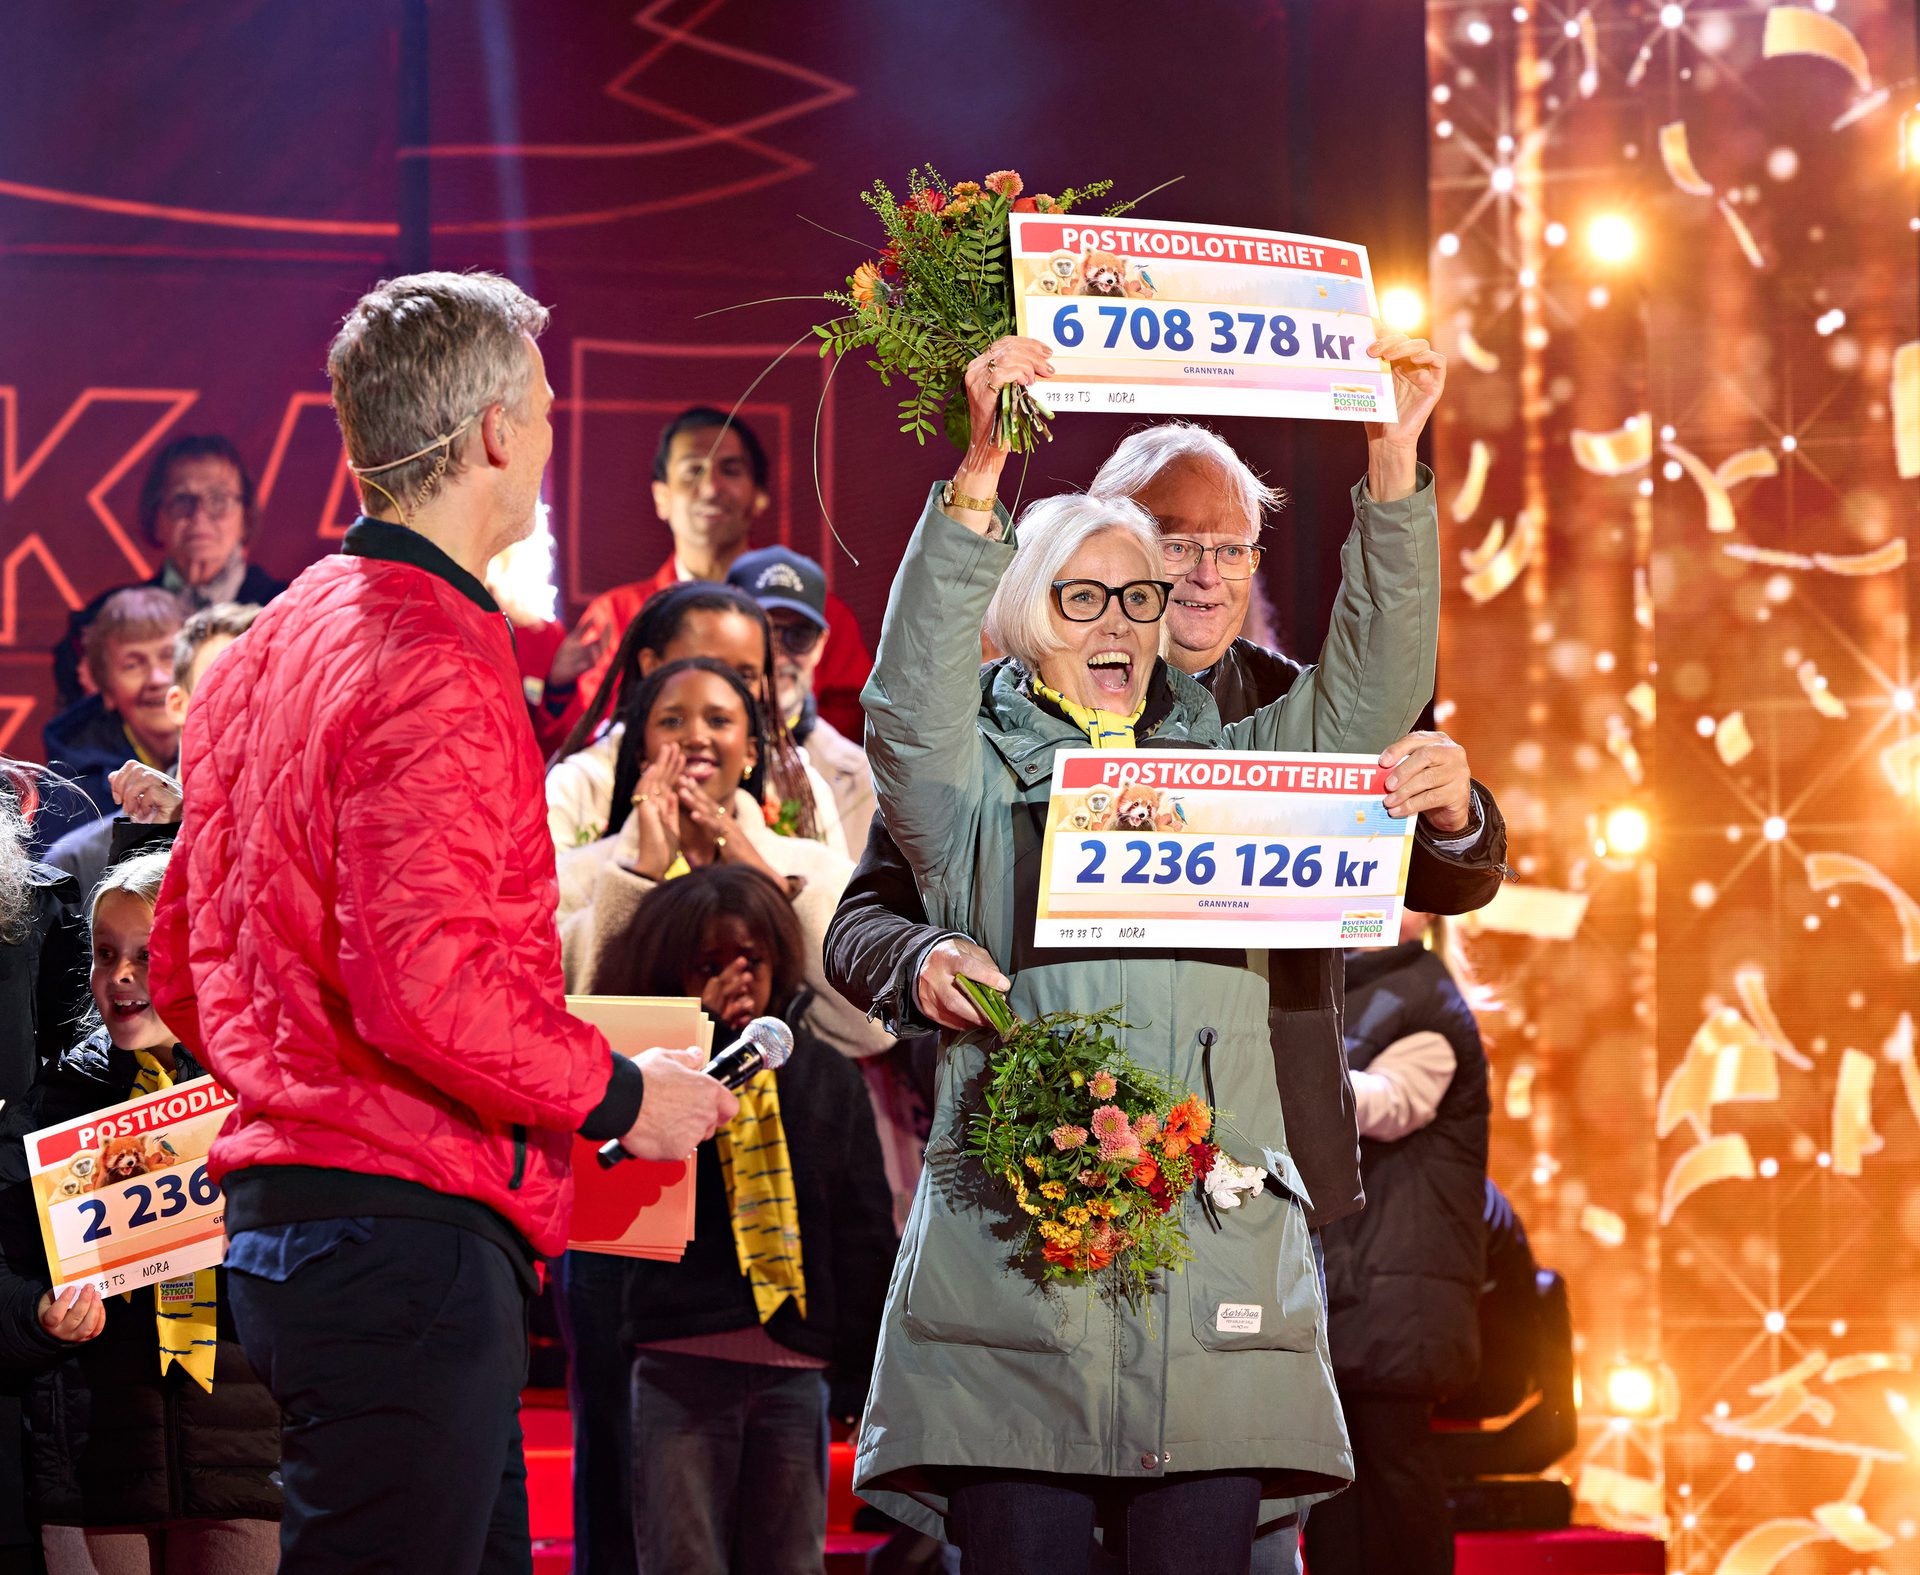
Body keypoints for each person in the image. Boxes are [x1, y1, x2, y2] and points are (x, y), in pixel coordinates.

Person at [147, 270, 739, 1574]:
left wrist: (301, 1074)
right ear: (494, 434)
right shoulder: (430, 652)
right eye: (545, 408)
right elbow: (430, 988)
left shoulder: (267, 642)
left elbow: (184, 961)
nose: (550, 435)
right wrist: (621, 1094)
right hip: (402, 1234)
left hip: (295, 1231)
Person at [850, 327, 1444, 1573]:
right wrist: (977, 477)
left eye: (1141, 595)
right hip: (1019, 1282)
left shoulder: (1240, 769)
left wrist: (1392, 470)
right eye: (1085, 595)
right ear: (1026, 613)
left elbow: (1369, 700)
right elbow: (906, 705)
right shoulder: (968, 793)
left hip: (1212, 1270)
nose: (1123, 620)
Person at [825, 421, 1508, 1251]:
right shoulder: (983, 735)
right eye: (1178, 546)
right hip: (1053, 1167)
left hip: (1264, 1167)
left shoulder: (1284, 710)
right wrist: (922, 957)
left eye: (1233, 549)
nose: (1206, 576)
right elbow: (867, 917)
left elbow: (1432, 874)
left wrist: (1452, 814)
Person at [573, 865, 895, 1575]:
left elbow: (863, 1231)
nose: (736, 978)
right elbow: (615, 1227)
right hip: (676, 1361)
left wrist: (857, 1375)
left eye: (750, 957)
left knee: (790, 1561)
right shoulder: (654, 1077)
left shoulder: (824, 1074)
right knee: (683, 1560)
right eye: (709, 964)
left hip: (794, 1368)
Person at [0, 850, 283, 1575]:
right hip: (95, 1471)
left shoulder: (266, 1093)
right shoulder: (54, 1106)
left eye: (148, 955)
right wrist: (37, 1315)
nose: (120, 975)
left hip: (246, 1465)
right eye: (105, 954)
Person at [1303, 912, 1491, 1575]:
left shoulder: (1427, 998)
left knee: (1392, 1471)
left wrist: (1288, 1070)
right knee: (1337, 1485)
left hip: (1397, 1292)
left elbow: (1392, 1104)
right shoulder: (1331, 981)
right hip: (1354, 1278)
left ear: (1429, 914)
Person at [561, 407, 874, 740]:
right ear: (661, 497)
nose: (711, 487)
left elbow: (857, 738)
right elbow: (589, 737)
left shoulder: (816, 616)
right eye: (693, 470)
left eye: (730, 470)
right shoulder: (616, 617)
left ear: (759, 495)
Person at [548, 580, 845, 856]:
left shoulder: (799, 785)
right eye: (706, 666)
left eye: (745, 676)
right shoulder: (581, 785)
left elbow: (835, 893)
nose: (724, 691)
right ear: (651, 665)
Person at [45, 603, 257, 909]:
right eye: (224, 684)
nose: (246, 702)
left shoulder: (303, 839)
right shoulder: (76, 861)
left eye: (264, 687)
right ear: (177, 704)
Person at [53, 436, 287, 711]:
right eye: (181, 500)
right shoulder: (102, 623)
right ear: (156, 517)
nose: (199, 515)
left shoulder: (286, 611)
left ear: (245, 516)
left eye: (218, 499)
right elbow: (71, 729)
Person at [728, 544, 876, 851]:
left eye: (799, 636)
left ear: (821, 644)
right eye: (764, 633)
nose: (779, 656)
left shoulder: (860, 776)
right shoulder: (690, 754)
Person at [37, 591, 185, 852]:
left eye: (169, 656)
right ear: (106, 688)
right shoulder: (68, 795)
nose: (157, 679)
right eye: (132, 665)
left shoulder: (236, 757)